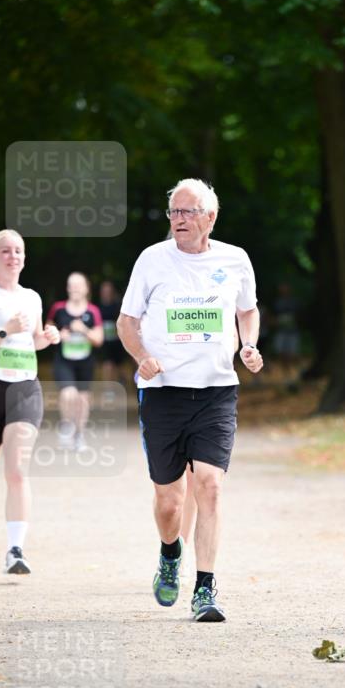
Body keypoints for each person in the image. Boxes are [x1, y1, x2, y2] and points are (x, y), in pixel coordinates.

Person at [117, 177, 263, 622]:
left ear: (210, 218)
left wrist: (249, 345)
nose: (179, 220)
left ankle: (205, 588)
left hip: (216, 391)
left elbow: (247, 310)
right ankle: (168, 552)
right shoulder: (152, 260)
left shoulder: (234, 259)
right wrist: (142, 357)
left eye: (188, 212)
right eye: (174, 212)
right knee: (170, 501)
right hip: (163, 393)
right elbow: (127, 322)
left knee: (211, 486)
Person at [0, 230, 60, 577]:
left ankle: (15, 549)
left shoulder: (32, 297)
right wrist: (4, 330)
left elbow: (34, 341)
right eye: (6, 251)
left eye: (19, 251)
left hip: (24, 388)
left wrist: (47, 337)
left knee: (17, 470)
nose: (13, 256)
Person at [47, 273, 104, 452]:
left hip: (85, 361)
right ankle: (66, 426)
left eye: (79, 285)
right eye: (71, 285)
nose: (75, 288)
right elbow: (47, 330)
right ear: (67, 288)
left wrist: (84, 330)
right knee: (68, 394)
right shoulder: (58, 309)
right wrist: (57, 335)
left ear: (86, 288)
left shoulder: (93, 311)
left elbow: (99, 339)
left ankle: (79, 436)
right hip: (64, 360)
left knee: (82, 400)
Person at [97, 280, 127, 385]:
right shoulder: (98, 308)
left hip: (117, 341)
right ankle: (108, 389)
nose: (106, 293)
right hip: (104, 341)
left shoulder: (118, 306)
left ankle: (122, 379)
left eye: (108, 291)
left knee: (119, 365)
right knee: (107, 364)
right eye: (104, 291)